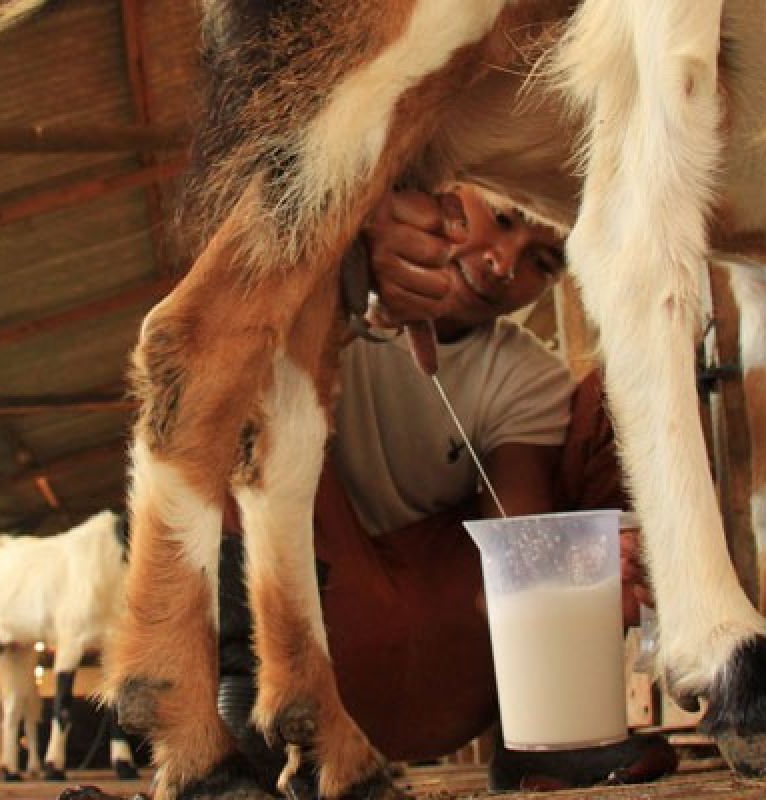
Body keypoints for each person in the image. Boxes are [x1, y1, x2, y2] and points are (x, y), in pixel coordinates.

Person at [217, 183, 675, 794]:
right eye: (504, 219)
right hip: (305, 644)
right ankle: (254, 724)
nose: (504, 263)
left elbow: (520, 543)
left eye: (542, 261)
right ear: (443, 194)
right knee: (234, 366)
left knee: (615, 396)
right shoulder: (313, 299)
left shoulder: (524, 378)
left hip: (451, 662)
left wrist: (582, 572)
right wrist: (349, 279)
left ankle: (543, 732)